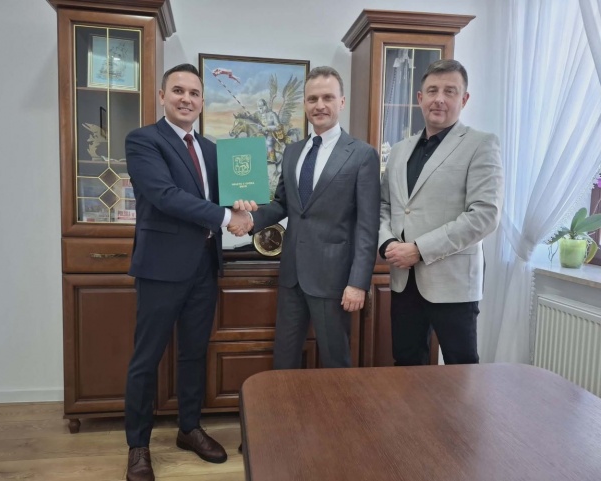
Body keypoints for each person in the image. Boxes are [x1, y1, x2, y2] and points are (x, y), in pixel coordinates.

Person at [123, 63, 252, 481]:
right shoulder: (144, 140)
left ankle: (189, 428)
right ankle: (138, 446)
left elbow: (228, 198)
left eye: (194, 93)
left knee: (195, 352)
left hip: (204, 266)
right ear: (162, 96)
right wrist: (227, 216)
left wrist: (244, 205)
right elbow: (165, 195)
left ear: (202, 101)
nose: (186, 99)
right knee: (147, 358)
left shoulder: (212, 150)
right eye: (178, 90)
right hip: (161, 268)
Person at [236, 66, 380, 369]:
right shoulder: (293, 152)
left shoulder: (361, 155)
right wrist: (249, 219)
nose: (319, 105)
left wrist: (358, 283)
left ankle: (337, 406)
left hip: (334, 280)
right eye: (312, 99)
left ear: (342, 102)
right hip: (292, 276)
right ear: (304, 104)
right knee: (284, 359)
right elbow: (282, 204)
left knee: (335, 361)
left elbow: (368, 226)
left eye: (328, 97)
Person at [378, 59, 504, 366]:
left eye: (450, 91)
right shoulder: (399, 150)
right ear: (420, 98)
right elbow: (384, 205)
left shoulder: (481, 144)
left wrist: (420, 250)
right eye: (432, 90)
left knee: (462, 370)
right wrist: (387, 243)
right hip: (404, 280)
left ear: (464, 99)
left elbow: (484, 215)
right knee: (406, 364)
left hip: (453, 283)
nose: (440, 99)